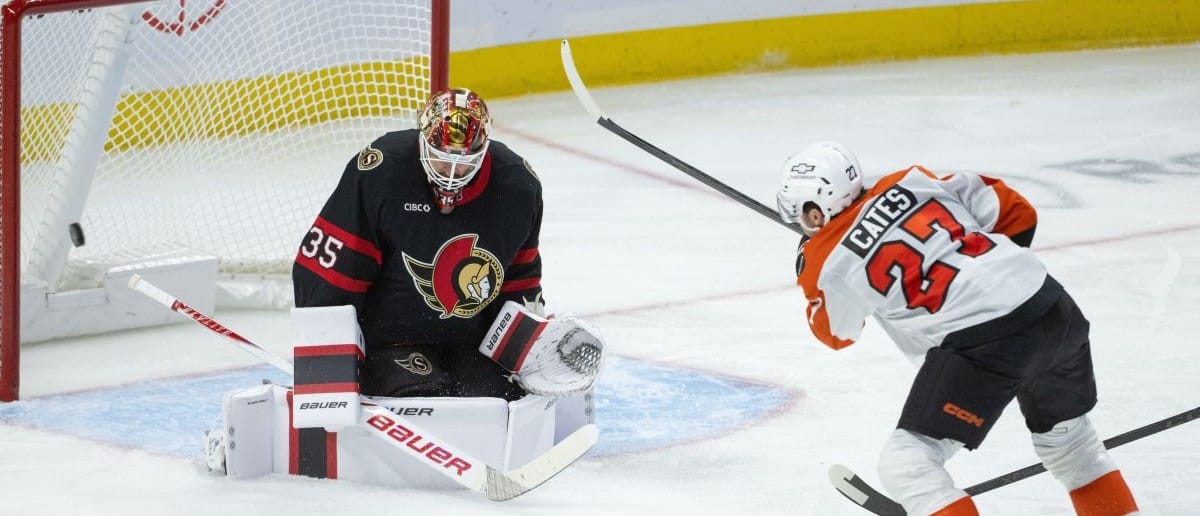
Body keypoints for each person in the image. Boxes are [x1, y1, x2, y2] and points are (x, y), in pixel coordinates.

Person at [205, 88, 602, 487]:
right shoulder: (382, 171)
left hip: (470, 342)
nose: (450, 175)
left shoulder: (518, 186)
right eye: (441, 159)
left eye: (462, 164)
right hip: (391, 340)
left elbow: (520, 280)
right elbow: (327, 271)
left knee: (494, 399)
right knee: (422, 396)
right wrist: (328, 366)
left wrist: (527, 345)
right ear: (421, 139)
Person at [775, 142, 1138, 515]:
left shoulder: (827, 260)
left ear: (813, 214)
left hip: (983, 346)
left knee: (908, 465)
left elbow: (835, 332)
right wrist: (985, 275)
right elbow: (1017, 212)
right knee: (1071, 443)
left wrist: (808, 263)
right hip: (1052, 309)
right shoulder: (913, 180)